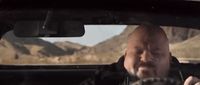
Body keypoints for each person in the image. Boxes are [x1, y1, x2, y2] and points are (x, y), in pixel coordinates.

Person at [80, 24, 200, 85]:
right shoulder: (103, 79)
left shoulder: (189, 75)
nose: (146, 58)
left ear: (169, 58)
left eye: (156, 52)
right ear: (125, 56)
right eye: (138, 51)